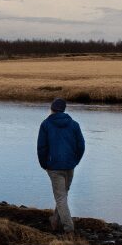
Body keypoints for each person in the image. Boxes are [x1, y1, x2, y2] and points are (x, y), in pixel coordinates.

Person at [37, 98, 86, 234]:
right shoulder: (74, 124)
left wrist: (44, 164)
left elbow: (42, 147)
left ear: (52, 108)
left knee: (60, 197)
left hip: (54, 167)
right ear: (64, 109)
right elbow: (81, 146)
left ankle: (68, 228)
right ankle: (54, 220)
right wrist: (75, 161)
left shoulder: (46, 124)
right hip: (69, 165)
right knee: (63, 195)